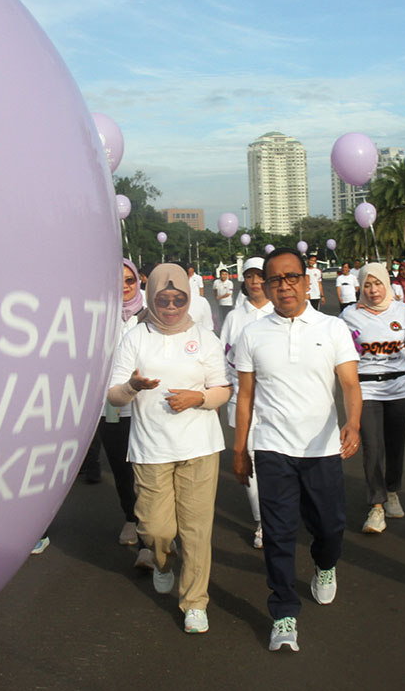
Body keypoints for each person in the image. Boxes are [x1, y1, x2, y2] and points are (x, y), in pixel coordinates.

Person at [232, 247, 362, 652]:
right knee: (278, 532)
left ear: (308, 282)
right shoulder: (251, 333)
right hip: (272, 448)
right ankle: (284, 611)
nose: (284, 286)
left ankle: (325, 566)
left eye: (292, 277)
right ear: (265, 286)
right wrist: (239, 449)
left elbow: (350, 385)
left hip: (321, 448)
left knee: (330, 526)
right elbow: (245, 397)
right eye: (275, 280)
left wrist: (353, 422)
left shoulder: (332, 328)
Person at [106, 263, 231, 634]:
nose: (172, 306)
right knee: (156, 528)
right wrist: (133, 386)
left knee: (196, 530)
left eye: (179, 300)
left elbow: (222, 390)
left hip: (200, 446)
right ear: (151, 297)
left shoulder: (205, 338)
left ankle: (195, 601)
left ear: (188, 299)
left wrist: (199, 397)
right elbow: (113, 397)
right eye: (164, 299)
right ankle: (163, 562)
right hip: (150, 449)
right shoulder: (136, 338)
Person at [341, 264, 405, 533]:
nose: (373, 290)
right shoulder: (349, 315)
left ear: (387, 284)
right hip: (367, 390)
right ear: (361, 287)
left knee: (395, 445)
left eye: (378, 284)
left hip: (400, 388)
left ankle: (392, 489)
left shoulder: (403, 312)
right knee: (373, 447)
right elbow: (339, 354)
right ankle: (376, 506)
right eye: (368, 285)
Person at [81, 260, 151, 561]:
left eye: (129, 281)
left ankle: (151, 536)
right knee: (122, 471)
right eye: (117, 281)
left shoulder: (150, 316)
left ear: (138, 282)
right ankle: (130, 518)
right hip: (111, 409)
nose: (124, 287)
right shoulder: (96, 318)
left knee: (147, 472)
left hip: (146, 409)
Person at [220, 257, 274, 549]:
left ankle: (280, 513)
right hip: (243, 401)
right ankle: (262, 522)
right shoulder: (234, 318)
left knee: (276, 461)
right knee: (250, 462)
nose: (254, 282)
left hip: (276, 401)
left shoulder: (279, 312)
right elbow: (223, 356)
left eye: (260, 276)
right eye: (250, 277)